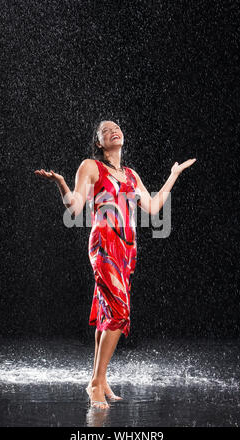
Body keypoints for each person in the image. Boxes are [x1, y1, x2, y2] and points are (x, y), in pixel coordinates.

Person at [34, 120, 196, 409]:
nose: (113, 130)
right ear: (99, 143)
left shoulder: (131, 175)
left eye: (116, 127)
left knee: (107, 313)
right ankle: (96, 383)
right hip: (104, 247)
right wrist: (61, 184)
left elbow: (155, 206)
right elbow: (75, 205)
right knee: (120, 312)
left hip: (126, 252)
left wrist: (173, 175)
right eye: (105, 130)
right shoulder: (91, 166)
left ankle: (100, 378)